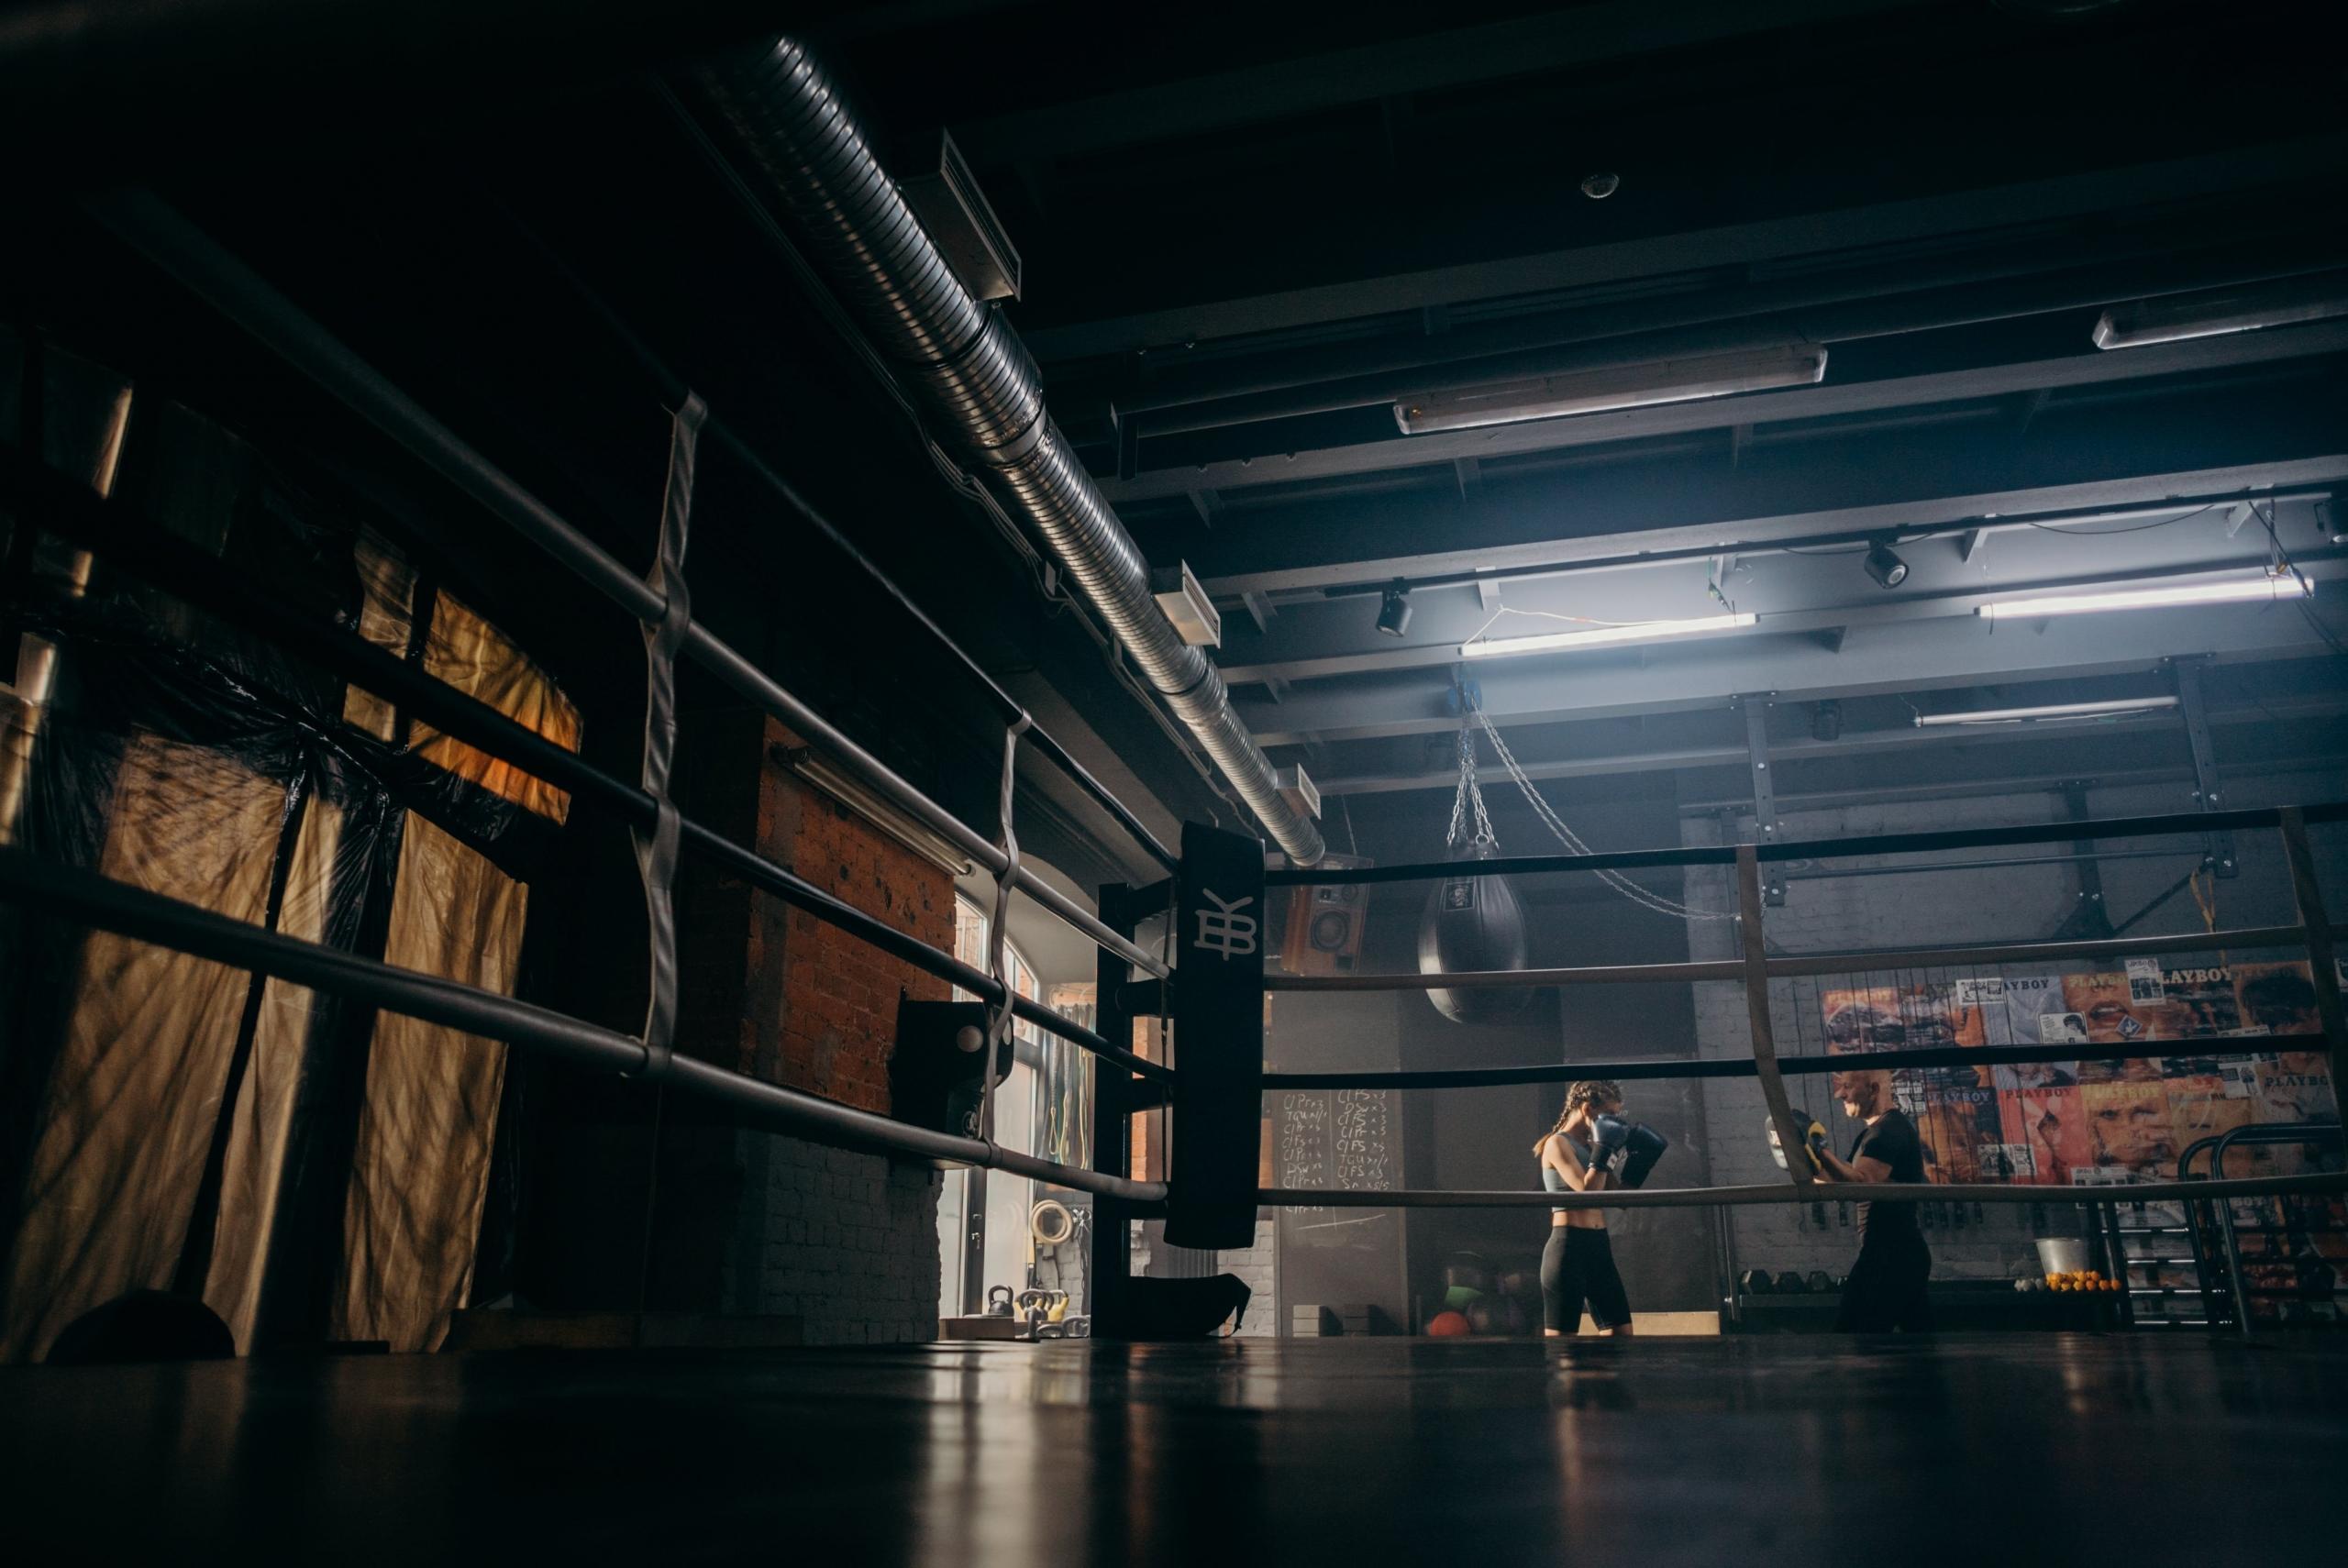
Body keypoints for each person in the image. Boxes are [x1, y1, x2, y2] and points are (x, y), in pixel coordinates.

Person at [1812, 1068, 1933, 1331]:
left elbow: (1863, 1184)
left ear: (1874, 1089)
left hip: (1892, 1255)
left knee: (1854, 1340)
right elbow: (1842, 1180)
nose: (1838, 1094)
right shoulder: (1874, 1132)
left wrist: (1817, 1149)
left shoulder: (1887, 1132)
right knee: (1915, 1355)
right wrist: (1804, 1159)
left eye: (1847, 1086)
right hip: (1895, 1253)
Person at [1534, 1079, 1634, 1338]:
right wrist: (1604, 1151)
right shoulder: (1558, 1144)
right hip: (1569, 1249)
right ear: (1589, 1109)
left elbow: (1619, 1200)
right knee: (1563, 1347)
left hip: (1598, 1247)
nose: (1615, 1121)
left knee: (1621, 1336)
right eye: (1610, 1114)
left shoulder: (1592, 1147)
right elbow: (1586, 1193)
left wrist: (1638, 1164)